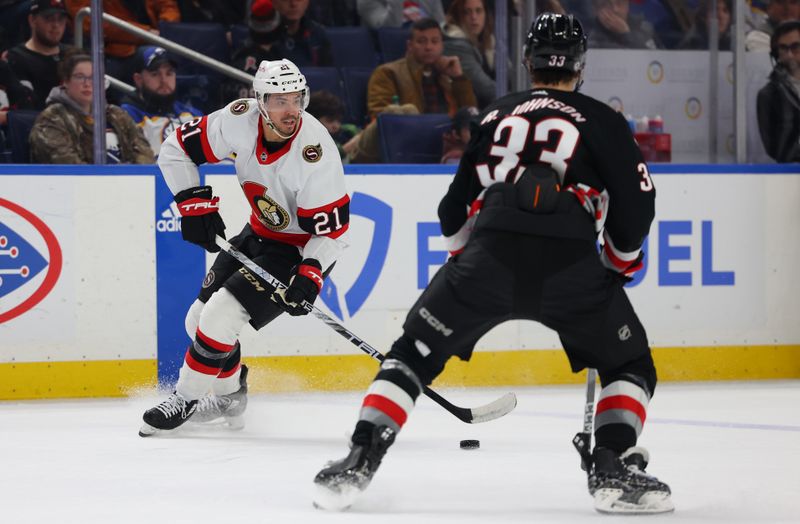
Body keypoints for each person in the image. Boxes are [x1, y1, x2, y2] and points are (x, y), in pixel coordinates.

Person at [313, 12, 673, 516]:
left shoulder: (497, 113)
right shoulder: (602, 119)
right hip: (572, 264)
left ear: (527, 62)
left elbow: (450, 211)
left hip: (488, 255)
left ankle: (360, 457)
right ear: (581, 64)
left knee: (411, 355)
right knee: (630, 364)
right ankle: (611, 463)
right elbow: (637, 204)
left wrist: (467, 262)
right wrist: (616, 262)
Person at [139, 58, 350, 437]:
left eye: (297, 98)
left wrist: (310, 275)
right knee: (196, 321)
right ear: (259, 101)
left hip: (300, 251)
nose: (291, 110)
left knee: (219, 317)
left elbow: (332, 233)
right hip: (257, 234)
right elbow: (175, 149)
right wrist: (192, 203)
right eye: (279, 100)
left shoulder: (316, 152)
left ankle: (184, 398)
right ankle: (230, 397)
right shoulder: (238, 120)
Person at [348, 17, 477, 162]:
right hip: (403, 144)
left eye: (434, 41)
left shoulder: (448, 75)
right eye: (422, 41)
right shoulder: (387, 73)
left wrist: (458, 78)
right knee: (405, 110)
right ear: (409, 45)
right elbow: (382, 119)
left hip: (445, 144)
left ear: (442, 45)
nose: (428, 47)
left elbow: (470, 114)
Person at [29, 49, 154, 163]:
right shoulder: (51, 119)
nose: (87, 84)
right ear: (66, 81)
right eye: (80, 77)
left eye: (93, 77)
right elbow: (67, 165)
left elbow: (145, 153)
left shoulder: (116, 114)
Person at [120, 45, 203, 156]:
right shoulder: (126, 118)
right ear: (138, 80)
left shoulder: (194, 116)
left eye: (169, 73)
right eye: (155, 74)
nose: (164, 81)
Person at [7, 0, 70, 110]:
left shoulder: (73, 54)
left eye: (61, 19)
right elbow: (24, 106)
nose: (56, 25)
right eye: (49, 18)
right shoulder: (16, 58)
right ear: (32, 20)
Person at [757, 20, 800, 162]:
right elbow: (775, 149)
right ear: (775, 54)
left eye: (795, 47)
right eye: (783, 48)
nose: (789, 55)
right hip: (790, 171)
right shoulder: (768, 95)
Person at [443, 0, 496, 108]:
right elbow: (485, 89)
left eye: (479, 11)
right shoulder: (455, 44)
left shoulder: (488, 41)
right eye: (467, 12)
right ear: (457, 17)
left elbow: (511, 75)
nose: (474, 17)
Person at [306, 89, 361, 161]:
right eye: (330, 121)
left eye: (338, 120)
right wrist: (350, 146)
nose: (336, 126)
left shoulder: (348, 131)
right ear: (314, 119)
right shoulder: (306, 139)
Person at [587, 0, 662, 49]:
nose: (615, 9)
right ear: (595, 10)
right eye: (606, 4)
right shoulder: (592, 43)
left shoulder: (646, 29)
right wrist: (625, 34)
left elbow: (658, 60)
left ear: (628, 5)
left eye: (620, 2)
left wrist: (626, 34)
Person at [357, 0, 445, 29]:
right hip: (391, 52)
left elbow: (442, 27)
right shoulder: (366, 2)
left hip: (431, 50)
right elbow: (388, 31)